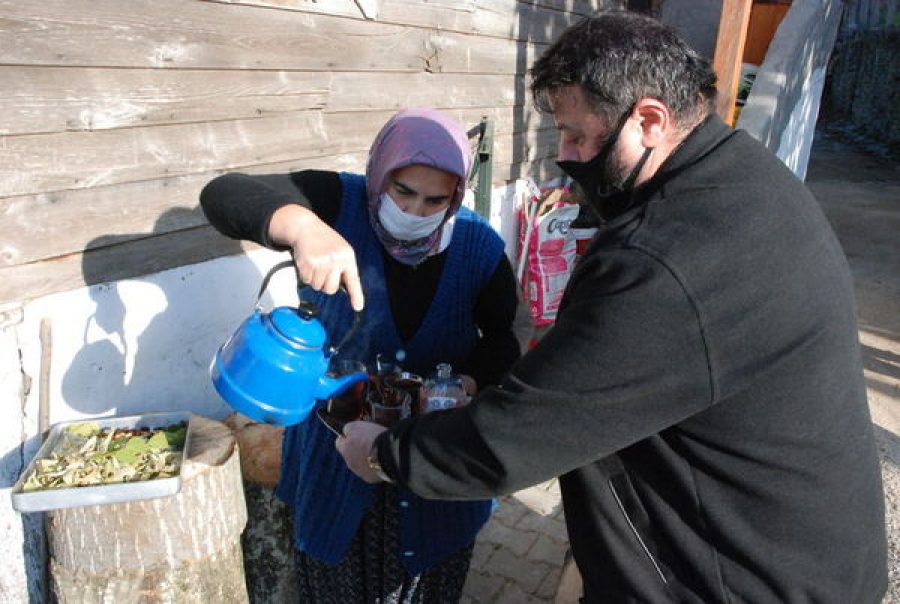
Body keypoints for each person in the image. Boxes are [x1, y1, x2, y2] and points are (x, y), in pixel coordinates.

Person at [336, 11, 889, 603]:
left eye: (576, 135)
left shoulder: (667, 260)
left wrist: (387, 455)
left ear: (649, 120)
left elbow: (524, 432)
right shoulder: (743, 179)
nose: (566, 157)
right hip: (800, 550)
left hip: (738, 578)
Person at [200, 108, 521, 602]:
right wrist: (304, 229)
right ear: (380, 174)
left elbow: (503, 340)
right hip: (334, 460)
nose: (416, 212)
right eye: (403, 191)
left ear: (458, 193)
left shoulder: (477, 246)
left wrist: (465, 387)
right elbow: (223, 195)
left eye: (436, 199)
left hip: (431, 460)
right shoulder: (337, 202)